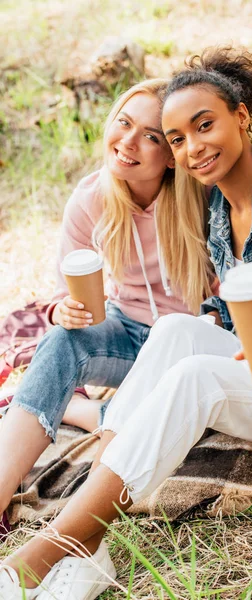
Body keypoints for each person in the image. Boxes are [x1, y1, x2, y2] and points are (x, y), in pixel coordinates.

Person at [0, 47, 252, 599]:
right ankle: (93, 536)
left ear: (241, 117)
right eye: (177, 138)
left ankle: (51, 550)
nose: (193, 147)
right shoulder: (219, 205)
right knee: (177, 333)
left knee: (195, 374)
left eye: (205, 126)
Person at [0, 78, 214, 547]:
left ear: (173, 151)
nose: (129, 143)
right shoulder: (91, 197)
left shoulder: (199, 197)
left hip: (192, 340)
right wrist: (64, 312)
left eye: (152, 136)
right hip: (126, 332)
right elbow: (62, 293)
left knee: (162, 421)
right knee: (60, 342)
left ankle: (89, 412)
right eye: (124, 123)